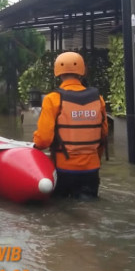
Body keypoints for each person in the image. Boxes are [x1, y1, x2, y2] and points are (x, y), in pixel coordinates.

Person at [33, 52, 108, 199]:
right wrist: (94, 158)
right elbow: (103, 134)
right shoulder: (98, 99)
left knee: (62, 212)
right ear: (82, 71)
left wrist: (34, 148)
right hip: (91, 170)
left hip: (64, 169)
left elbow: (43, 139)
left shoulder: (52, 99)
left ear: (57, 72)